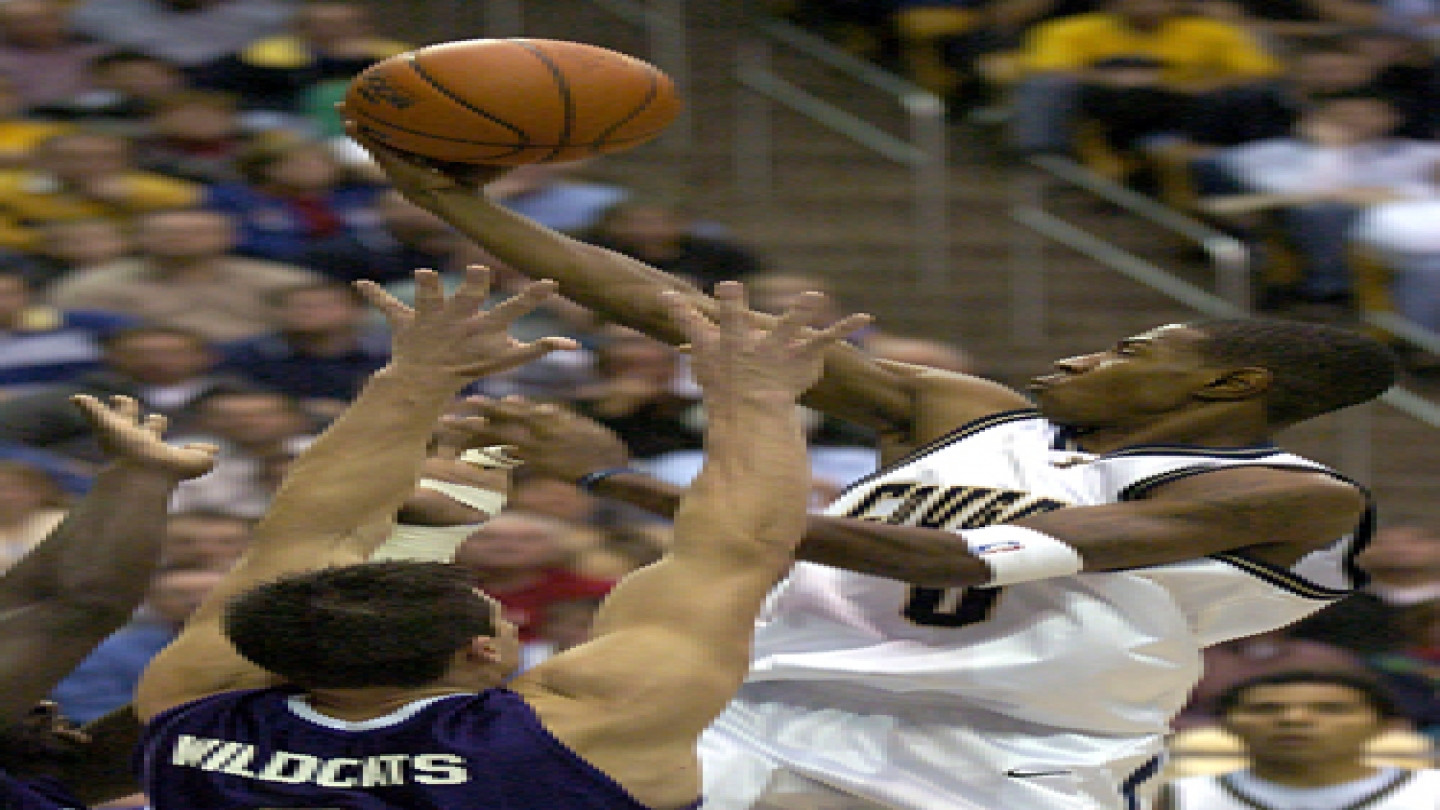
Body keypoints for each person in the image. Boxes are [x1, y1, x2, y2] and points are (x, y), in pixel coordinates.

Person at [354, 126, 1400, 810]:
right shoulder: (964, 412)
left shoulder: (1287, 496)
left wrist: (610, 481)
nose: (1085, 354)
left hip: (1000, 767)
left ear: (1228, 388)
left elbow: (946, 559)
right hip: (752, 717)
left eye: (1132, 352)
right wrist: (467, 208)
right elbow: (680, 313)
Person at [131, 272, 867, 809]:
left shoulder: (193, 700)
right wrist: (760, 398)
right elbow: (732, 548)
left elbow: (306, 526)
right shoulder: (584, 730)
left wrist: (414, 377)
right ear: (481, 651)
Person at [0, 394, 217, 810]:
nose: (47, 707)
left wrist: (128, 473)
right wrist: (139, 475)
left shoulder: (47, 780)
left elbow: (29, 594)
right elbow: (82, 605)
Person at [1157, 671, 1440, 809]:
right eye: (1265, 709)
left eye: (1331, 709)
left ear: (1387, 727)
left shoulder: (1431, 793)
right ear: (1224, 725)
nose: (1294, 719)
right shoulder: (1170, 800)